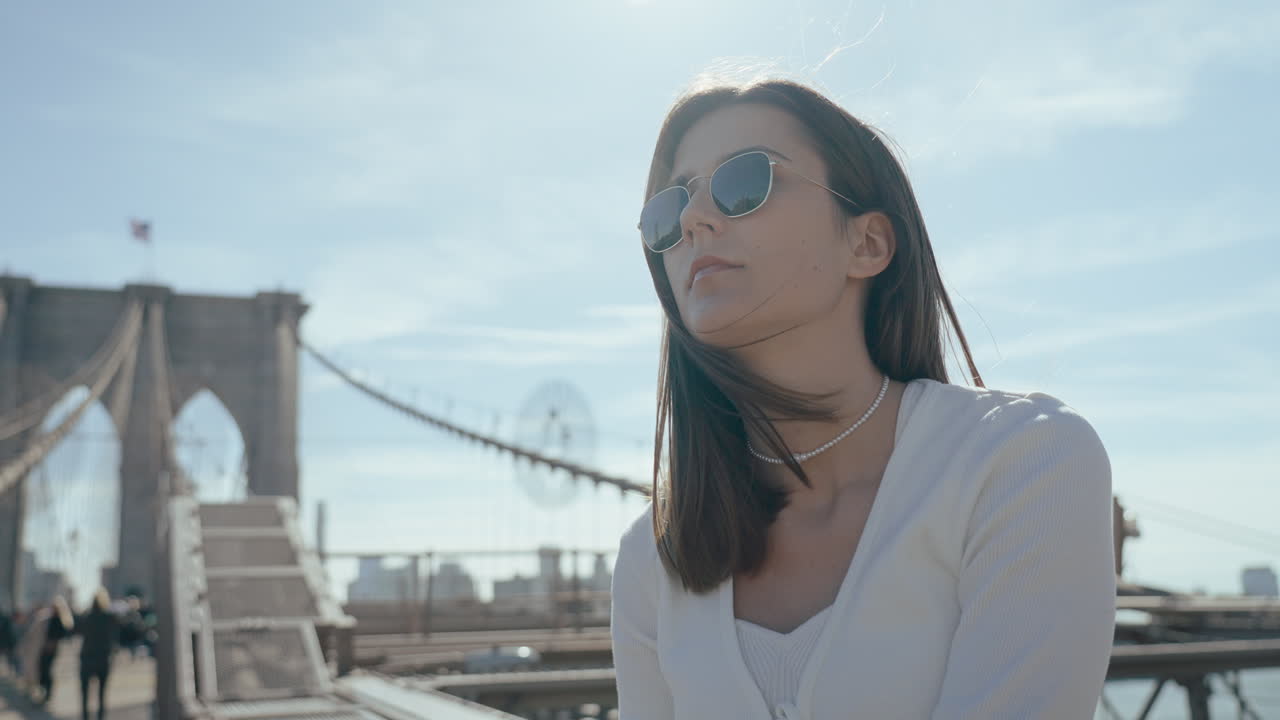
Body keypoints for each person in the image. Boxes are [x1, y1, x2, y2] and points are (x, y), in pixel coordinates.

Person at [612, 75, 1115, 719]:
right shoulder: (656, 555)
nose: (691, 220)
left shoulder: (1022, 463)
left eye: (743, 183)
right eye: (666, 210)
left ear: (868, 243)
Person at [77, 588, 119, 720]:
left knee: (85, 693)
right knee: (101, 693)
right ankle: (100, 717)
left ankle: (85, 717)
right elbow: (115, 636)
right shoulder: (110, 618)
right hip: (103, 658)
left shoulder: (87, 617)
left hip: (87, 657)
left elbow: (77, 630)